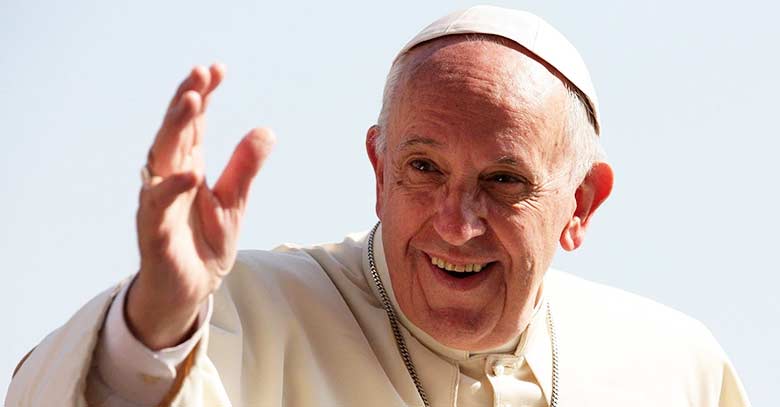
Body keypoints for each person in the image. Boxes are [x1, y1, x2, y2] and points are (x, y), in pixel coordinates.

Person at [6, 5, 750, 407]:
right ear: (378, 168)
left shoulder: (675, 368)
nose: (457, 223)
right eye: (424, 168)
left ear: (581, 203)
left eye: (503, 181)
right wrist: (158, 317)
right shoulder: (241, 315)